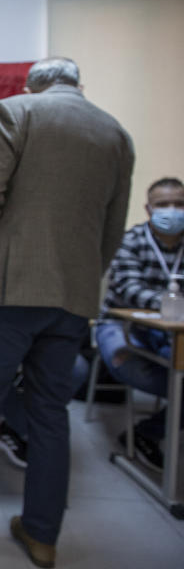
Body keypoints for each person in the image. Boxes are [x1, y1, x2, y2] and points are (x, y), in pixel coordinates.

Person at [0, 57, 134, 568]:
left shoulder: (17, 111)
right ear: (80, 84)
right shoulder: (116, 134)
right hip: (74, 295)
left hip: (11, 287)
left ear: (33, 85)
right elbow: (114, 225)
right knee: (51, 414)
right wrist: (83, 278)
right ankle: (41, 534)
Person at [0, 248, 91, 469]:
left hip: (44, 328)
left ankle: (25, 428)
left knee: (77, 370)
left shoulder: (47, 249)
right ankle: (24, 425)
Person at [96, 177, 184, 472]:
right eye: (163, 205)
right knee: (142, 369)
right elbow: (130, 290)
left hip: (175, 330)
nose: (171, 211)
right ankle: (155, 430)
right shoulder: (130, 240)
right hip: (122, 326)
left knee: (179, 379)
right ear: (149, 209)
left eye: (179, 204)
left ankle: (149, 431)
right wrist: (172, 304)